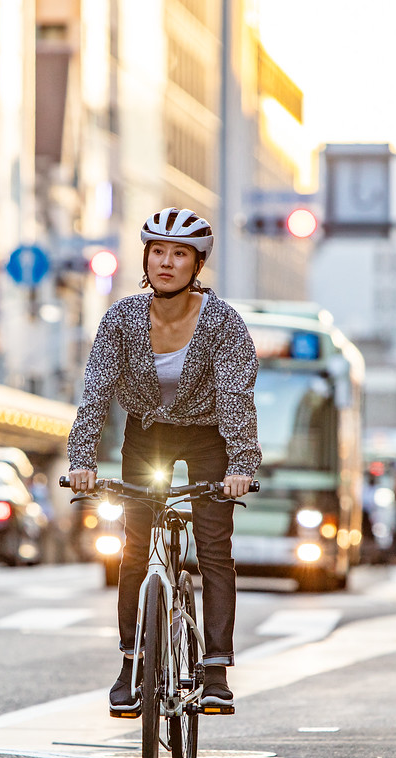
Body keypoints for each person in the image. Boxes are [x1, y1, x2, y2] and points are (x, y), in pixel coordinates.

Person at [66, 207, 261, 715]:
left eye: (179, 254)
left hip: (207, 437)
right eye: (157, 251)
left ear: (197, 264)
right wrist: (81, 459)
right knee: (133, 551)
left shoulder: (223, 323)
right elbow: (96, 393)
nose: (166, 262)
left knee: (214, 548)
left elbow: (237, 397)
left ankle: (215, 668)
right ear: (145, 257)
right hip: (146, 436)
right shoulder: (121, 318)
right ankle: (131, 663)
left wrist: (241, 465)